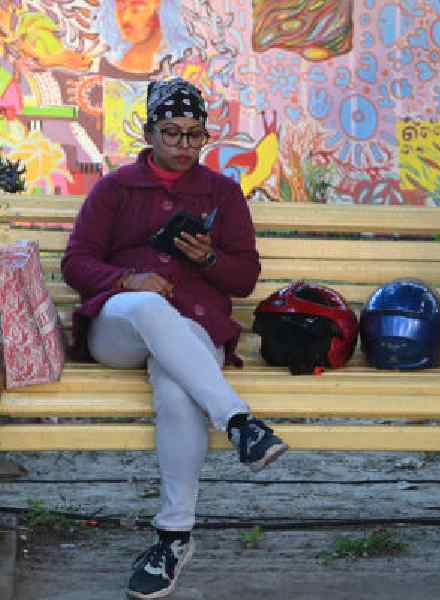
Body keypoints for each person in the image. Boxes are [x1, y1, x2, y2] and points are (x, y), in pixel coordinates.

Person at [61, 78, 288, 599]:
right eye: (172, 133)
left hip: (192, 329)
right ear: (148, 132)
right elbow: (75, 263)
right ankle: (239, 421)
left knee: (177, 388)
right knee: (149, 305)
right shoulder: (116, 189)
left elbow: (244, 279)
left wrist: (206, 257)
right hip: (121, 326)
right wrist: (126, 280)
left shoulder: (222, 194)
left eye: (194, 135)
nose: (184, 145)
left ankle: (173, 535)